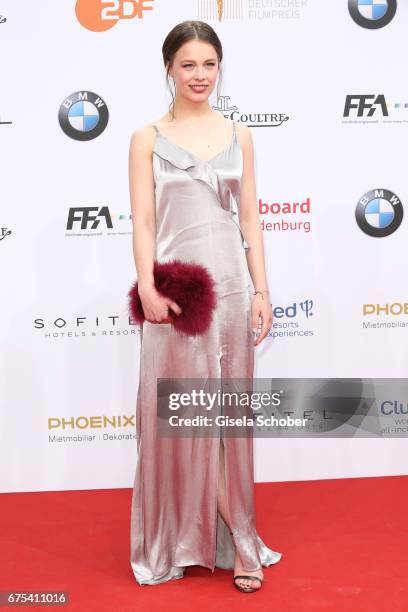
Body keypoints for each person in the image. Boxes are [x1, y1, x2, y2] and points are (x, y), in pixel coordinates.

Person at [128, 20, 283, 593]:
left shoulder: (239, 134)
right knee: (186, 419)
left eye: (209, 64)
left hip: (233, 290)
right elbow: (143, 220)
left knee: (225, 424)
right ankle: (222, 537)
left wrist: (262, 288)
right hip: (179, 294)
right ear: (169, 66)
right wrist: (146, 285)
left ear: (221, 68)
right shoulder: (146, 136)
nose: (200, 75)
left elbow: (250, 220)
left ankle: (237, 535)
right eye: (188, 64)